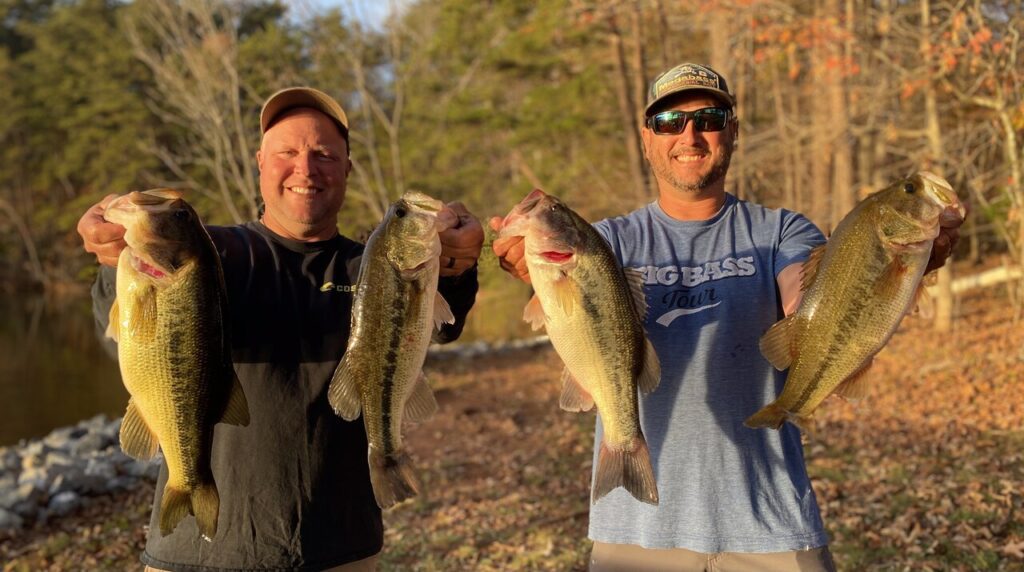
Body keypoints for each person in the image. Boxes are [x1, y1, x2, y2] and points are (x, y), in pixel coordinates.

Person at [490, 63, 962, 572]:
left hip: (771, 526)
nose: (689, 135)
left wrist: (903, 263)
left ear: (732, 132)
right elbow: (573, 318)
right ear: (647, 139)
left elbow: (807, 303)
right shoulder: (606, 243)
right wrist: (529, 269)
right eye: (669, 121)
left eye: (709, 118)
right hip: (637, 532)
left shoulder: (782, 231)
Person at [77, 87, 484, 572]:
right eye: (286, 152)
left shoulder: (373, 267)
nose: (305, 169)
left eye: (324, 155)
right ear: (260, 164)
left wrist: (456, 266)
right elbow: (124, 335)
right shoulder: (212, 255)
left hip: (341, 549)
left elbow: (440, 329)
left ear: (348, 168)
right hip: (198, 554)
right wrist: (113, 263)